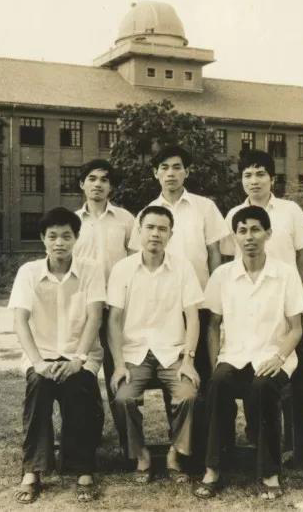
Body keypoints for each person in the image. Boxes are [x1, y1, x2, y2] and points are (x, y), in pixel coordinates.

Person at [221, 149, 303, 469]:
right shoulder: (234, 215)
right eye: (247, 175)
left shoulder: (289, 210)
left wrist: (288, 291)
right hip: (250, 309)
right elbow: (231, 261)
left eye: (260, 174)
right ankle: (260, 439)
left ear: (272, 178)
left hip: (286, 306)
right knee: (253, 370)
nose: (254, 181)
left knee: (298, 378)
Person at [195, 205, 303, 500]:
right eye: (242, 231)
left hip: (274, 355)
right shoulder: (222, 275)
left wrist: (279, 358)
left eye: (256, 229)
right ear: (234, 236)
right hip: (234, 356)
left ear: (268, 233)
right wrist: (214, 363)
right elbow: (213, 325)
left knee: (263, 386)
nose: (249, 237)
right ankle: (213, 468)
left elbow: (296, 329)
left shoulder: (285, 274)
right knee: (218, 383)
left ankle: (269, 472)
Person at [9, 207, 106, 504]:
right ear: (43, 238)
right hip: (43, 355)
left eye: (66, 236)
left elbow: (95, 317)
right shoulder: (28, 272)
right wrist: (38, 362)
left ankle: (83, 469)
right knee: (38, 388)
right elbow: (20, 321)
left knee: (79, 388)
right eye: (52, 236)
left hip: (80, 355)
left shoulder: (91, 269)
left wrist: (79, 359)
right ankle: (33, 470)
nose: (59, 242)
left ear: (76, 238)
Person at [108, 205, 204, 483]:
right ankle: (141, 454)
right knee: (123, 398)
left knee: (188, 394)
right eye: (150, 227)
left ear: (171, 234)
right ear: (139, 232)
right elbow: (113, 321)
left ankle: (176, 452)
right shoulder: (123, 269)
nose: (155, 234)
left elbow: (193, 318)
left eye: (162, 229)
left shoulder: (183, 267)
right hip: (134, 354)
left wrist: (189, 360)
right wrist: (118, 365)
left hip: (172, 352)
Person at [128, 145, 230, 390]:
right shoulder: (146, 213)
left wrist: (214, 296)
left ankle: (200, 416)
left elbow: (215, 253)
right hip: (164, 305)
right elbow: (135, 258)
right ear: (155, 173)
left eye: (177, 167)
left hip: (199, 301)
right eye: (164, 168)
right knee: (170, 365)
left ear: (187, 172)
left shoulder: (204, 207)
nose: (170, 173)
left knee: (200, 367)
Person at [74, 159, 135, 446]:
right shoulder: (72, 222)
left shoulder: (125, 220)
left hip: (117, 308)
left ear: (111, 186)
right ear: (82, 184)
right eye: (92, 178)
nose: (98, 184)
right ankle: (90, 435)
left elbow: (136, 263)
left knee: (117, 370)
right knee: (84, 370)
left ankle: (127, 441)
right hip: (84, 308)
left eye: (104, 179)